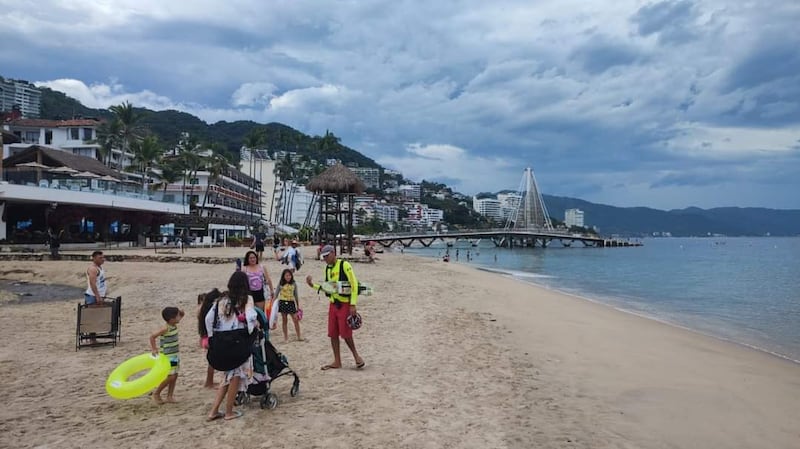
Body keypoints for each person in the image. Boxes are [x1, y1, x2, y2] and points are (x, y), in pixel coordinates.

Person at [205, 271, 258, 421]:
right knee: (236, 376)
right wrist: (252, 328)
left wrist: (211, 337)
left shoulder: (221, 300)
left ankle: (214, 411)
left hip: (221, 341)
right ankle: (229, 412)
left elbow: (209, 319)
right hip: (237, 342)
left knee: (226, 377)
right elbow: (251, 317)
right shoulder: (246, 299)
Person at [306, 245, 365, 371]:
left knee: (346, 334)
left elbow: (354, 284)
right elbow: (328, 287)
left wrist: (353, 303)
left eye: (327, 256)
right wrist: (313, 286)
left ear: (333, 253)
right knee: (332, 333)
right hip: (333, 304)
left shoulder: (345, 265)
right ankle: (337, 361)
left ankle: (356, 357)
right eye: (324, 256)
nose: (325, 258)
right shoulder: (327, 268)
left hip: (345, 304)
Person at [149, 306, 185, 404]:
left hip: (174, 355)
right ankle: (156, 393)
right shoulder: (165, 328)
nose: (179, 317)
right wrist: (154, 349)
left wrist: (179, 311)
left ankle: (170, 396)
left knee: (175, 375)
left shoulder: (174, 324)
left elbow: (182, 314)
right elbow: (152, 337)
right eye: (177, 316)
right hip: (167, 356)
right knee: (171, 376)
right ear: (172, 319)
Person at [197, 288, 222, 389]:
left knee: (211, 360)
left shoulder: (202, 310)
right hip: (210, 339)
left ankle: (209, 381)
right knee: (213, 361)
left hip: (204, 338)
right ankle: (209, 382)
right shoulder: (211, 312)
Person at [274, 268, 302, 343]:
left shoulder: (294, 283)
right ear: (283, 276)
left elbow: (296, 295)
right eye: (286, 275)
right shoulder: (280, 283)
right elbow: (276, 293)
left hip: (291, 303)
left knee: (295, 320)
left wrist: (298, 305)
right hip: (283, 303)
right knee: (284, 320)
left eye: (289, 275)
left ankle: (299, 336)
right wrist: (273, 303)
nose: (288, 277)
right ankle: (286, 337)